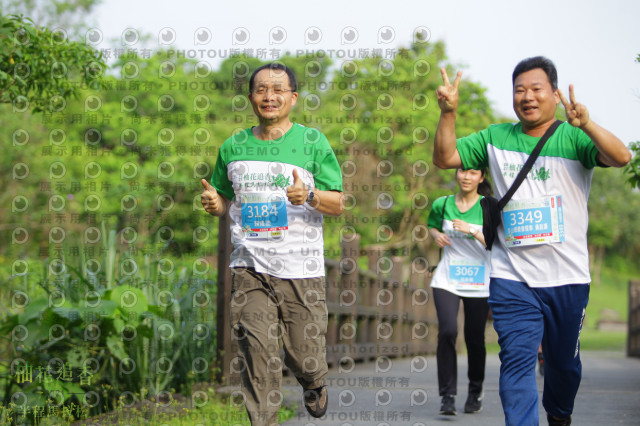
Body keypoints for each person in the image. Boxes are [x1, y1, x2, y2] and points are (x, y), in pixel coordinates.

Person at [433, 56, 631, 426]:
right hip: (513, 276)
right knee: (518, 360)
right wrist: (448, 113)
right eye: (519, 90)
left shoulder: (575, 136)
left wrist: (586, 123)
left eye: (536, 89)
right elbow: (445, 157)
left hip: (567, 277)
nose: (527, 97)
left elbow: (622, 157)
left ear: (555, 94)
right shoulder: (495, 137)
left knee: (562, 365)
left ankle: (559, 414)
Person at [201, 62, 344, 426]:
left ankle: (313, 382)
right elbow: (222, 198)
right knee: (257, 355)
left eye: (278, 89)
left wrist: (309, 195)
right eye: (262, 89)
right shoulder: (233, 146)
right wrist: (217, 204)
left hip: (300, 269)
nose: (270, 96)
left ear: (293, 98)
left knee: (305, 357)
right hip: (249, 268)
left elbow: (339, 203)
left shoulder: (313, 142)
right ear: (251, 97)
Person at [428, 168, 492, 416]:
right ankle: (447, 396)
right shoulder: (442, 204)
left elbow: (496, 244)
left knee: (474, 339)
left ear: (481, 177)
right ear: (456, 174)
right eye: (462, 171)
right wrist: (437, 236)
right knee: (447, 331)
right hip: (447, 279)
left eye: (473, 172)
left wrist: (473, 230)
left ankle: (475, 391)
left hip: (479, 282)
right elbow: (432, 225)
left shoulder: (489, 207)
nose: (466, 176)